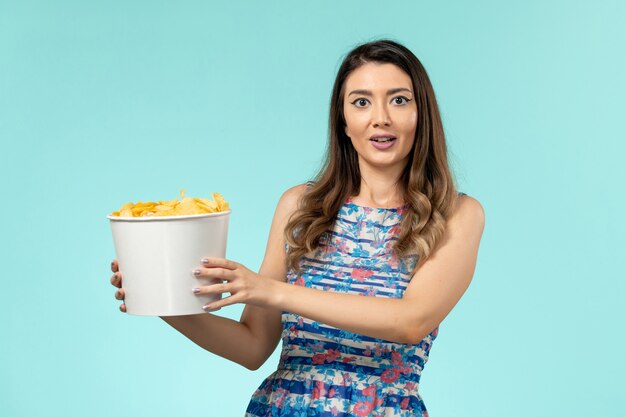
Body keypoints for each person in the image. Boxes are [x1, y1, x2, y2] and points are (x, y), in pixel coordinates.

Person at [110, 39, 485, 416]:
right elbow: (253, 347)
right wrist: (159, 297)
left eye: (399, 100)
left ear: (422, 113)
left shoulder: (456, 214)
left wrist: (271, 291)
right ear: (343, 120)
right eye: (361, 101)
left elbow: (410, 321)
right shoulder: (300, 206)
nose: (380, 117)